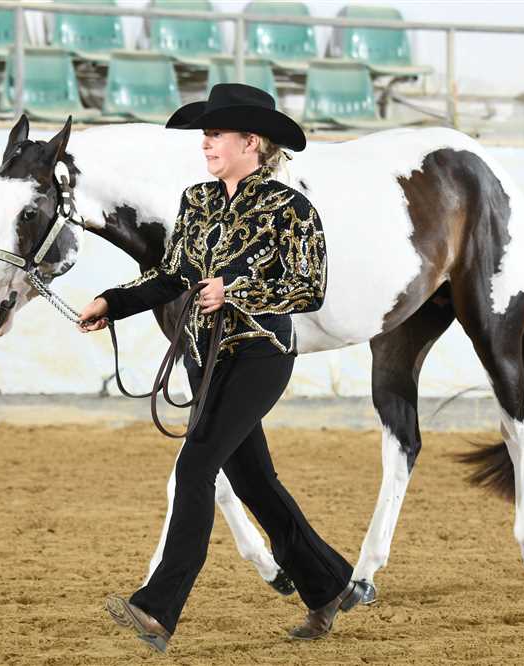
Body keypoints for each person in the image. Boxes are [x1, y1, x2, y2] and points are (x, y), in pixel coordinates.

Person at [76, 83, 360, 653]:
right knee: (254, 482)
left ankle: (157, 609)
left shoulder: (292, 210)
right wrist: (113, 302)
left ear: (250, 142)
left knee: (196, 466)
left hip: (261, 355)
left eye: (215, 134)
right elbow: (174, 274)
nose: (205, 144)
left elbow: (309, 288)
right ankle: (329, 584)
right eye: (204, 135)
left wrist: (234, 290)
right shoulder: (197, 201)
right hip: (204, 357)